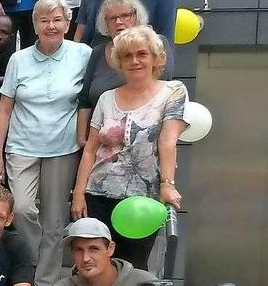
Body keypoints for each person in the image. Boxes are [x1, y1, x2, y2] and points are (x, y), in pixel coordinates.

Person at [0, 0, 91, 286]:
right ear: (34, 26)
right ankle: (30, 268)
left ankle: (45, 281)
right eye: (44, 20)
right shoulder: (18, 59)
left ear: (68, 24)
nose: (51, 26)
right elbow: (5, 108)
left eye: (58, 19)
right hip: (21, 146)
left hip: (62, 147)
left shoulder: (82, 54)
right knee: (20, 209)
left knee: (55, 221)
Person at [71, 26, 186, 270]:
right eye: (127, 55)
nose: (134, 61)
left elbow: (168, 140)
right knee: (96, 267)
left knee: (133, 269)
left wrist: (168, 184)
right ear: (119, 62)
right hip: (98, 194)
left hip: (142, 199)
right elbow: (91, 149)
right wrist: (79, 194)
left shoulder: (173, 92)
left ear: (155, 57)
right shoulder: (105, 98)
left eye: (142, 54)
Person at [76, 0, 174, 145]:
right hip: (100, 141)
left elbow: (163, 87)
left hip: (145, 141)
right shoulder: (98, 52)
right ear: (105, 24)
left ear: (136, 17)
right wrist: (83, 140)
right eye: (112, 18)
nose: (119, 22)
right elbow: (85, 100)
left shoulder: (156, 43)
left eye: (125, 15)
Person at [54, 218, 158, 286]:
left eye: (94, 249)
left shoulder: (144, 282)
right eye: (79, 250)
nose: (86, 258)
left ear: (110, 249)